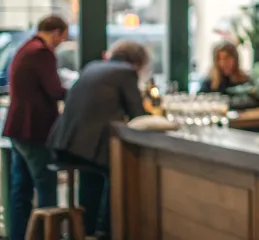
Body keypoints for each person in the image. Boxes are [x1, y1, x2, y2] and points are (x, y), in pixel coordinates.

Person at [47, 39, 150, 239]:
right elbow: (138, 114)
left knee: (93, 174)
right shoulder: (125, 72)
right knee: (121, 173)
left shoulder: (93, 67)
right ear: (137, 61)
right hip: (87, 147)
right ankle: (108, 231)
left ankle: (87, 228)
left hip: (64, 143)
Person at [2, 15, 69, 240]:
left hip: (17, 128)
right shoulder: (42, 53)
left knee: (20, 188)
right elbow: (55, 90)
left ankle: (19, 235)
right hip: (34, 129)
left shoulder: (24, 48)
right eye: (63, 37)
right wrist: (77, 95)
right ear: (56, 32)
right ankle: (49, 236)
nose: (61, 43)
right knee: (46, 186)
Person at [199, 41, 258, 109]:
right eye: (219, 59)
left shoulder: (245, 80)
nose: (223, 63)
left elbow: (255, 102)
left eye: (227, 58)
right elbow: (201, 103)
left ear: (235, 59)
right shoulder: (209, 83)